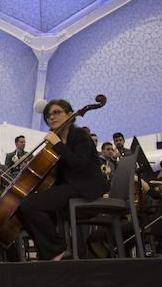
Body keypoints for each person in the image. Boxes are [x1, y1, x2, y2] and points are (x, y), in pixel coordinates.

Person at [17, 99, 107, 260]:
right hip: (70, 187)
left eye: (57, 112)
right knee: (21, 209)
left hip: (84, 187)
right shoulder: (58, 142)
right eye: (48, 115)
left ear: (70, 115)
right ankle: (48, 255)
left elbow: (80, 165)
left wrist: (58, 144)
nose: (51, 117)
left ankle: (57, 250)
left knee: (29, 205)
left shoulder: (80, 135)